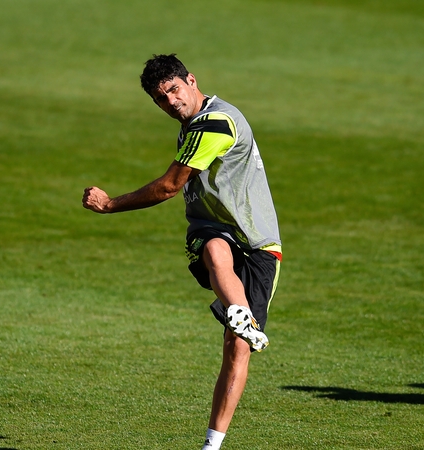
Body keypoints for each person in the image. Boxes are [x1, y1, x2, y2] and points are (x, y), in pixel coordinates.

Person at [81, 53, 282, 450]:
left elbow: (170, 186)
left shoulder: (215, 123)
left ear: (191, 80)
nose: (171, 102)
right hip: (213, 229)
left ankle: (213, 442)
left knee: (236, 348)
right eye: (161, 98)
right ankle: (239, 313)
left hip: (259, 243)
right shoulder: (194, 123)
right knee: (214, 246)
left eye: (174, 90)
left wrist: (110, 205)